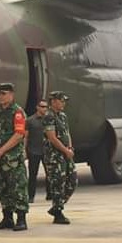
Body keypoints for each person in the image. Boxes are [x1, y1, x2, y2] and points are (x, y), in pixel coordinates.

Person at [0, 83, 29, 231]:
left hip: (13, 157)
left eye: (4, 93)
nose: (1, 96)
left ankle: (21, 219)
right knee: (2, 187)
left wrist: (3, 149)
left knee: (17, 187)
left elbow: (19, 135)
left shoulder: (17, 112)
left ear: (11, 95)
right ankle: (7, 217)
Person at [44, 91, 76, 224]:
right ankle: (58, 212)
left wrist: (69, 148)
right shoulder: (49, 116)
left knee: (73, 181)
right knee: (58, 183)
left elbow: (67, 133)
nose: (63, 103)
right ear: (54, 102)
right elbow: (52, 137)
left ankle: (57, 206)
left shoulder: (62, 116)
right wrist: (64, 150)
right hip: (54, 156)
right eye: (61, 101)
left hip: (65, 154)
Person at [25, 100, 49, 203]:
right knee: (32, 175)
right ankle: (31, 196)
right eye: (42, 106)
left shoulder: (49, 120)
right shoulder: (30, 120)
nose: (44, 109)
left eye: (46, 107)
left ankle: (50, 194)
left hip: (47, 151)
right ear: (37, 107)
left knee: (50, 174)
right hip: (33, 151)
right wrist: (24, 150)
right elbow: (25, 136)